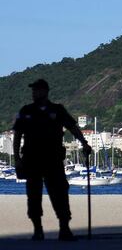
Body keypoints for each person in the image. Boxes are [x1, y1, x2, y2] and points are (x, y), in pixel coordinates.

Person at [13, 78, 92, 241]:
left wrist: (84, 143)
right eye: (33, 90)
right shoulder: (26, 110)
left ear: (44, 91)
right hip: (32, 159)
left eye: (36, 90)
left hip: (53, 159)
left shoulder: (57, 109)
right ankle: (38, 229)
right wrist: (17, 159)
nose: (33, 93)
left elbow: (73, 128)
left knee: (60, 194)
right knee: (33, 196)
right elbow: (17, 135)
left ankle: (64, 228)